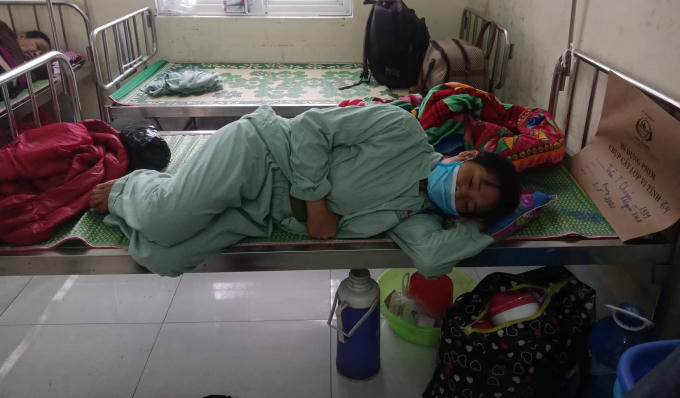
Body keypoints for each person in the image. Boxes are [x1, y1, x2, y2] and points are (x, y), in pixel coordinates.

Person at [89, 103, 520, 277]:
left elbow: (431, 260)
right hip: (259, 153)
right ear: (465, 156)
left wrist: (480, 226)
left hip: (260, 212)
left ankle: (170, 195)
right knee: (164, 222)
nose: (459, 193)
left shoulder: (417, 214)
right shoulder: (402, 131)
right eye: (469, 181)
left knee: (163, 258)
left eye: (466, 203)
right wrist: (316, 205)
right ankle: (132, 187)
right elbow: (312, 126)